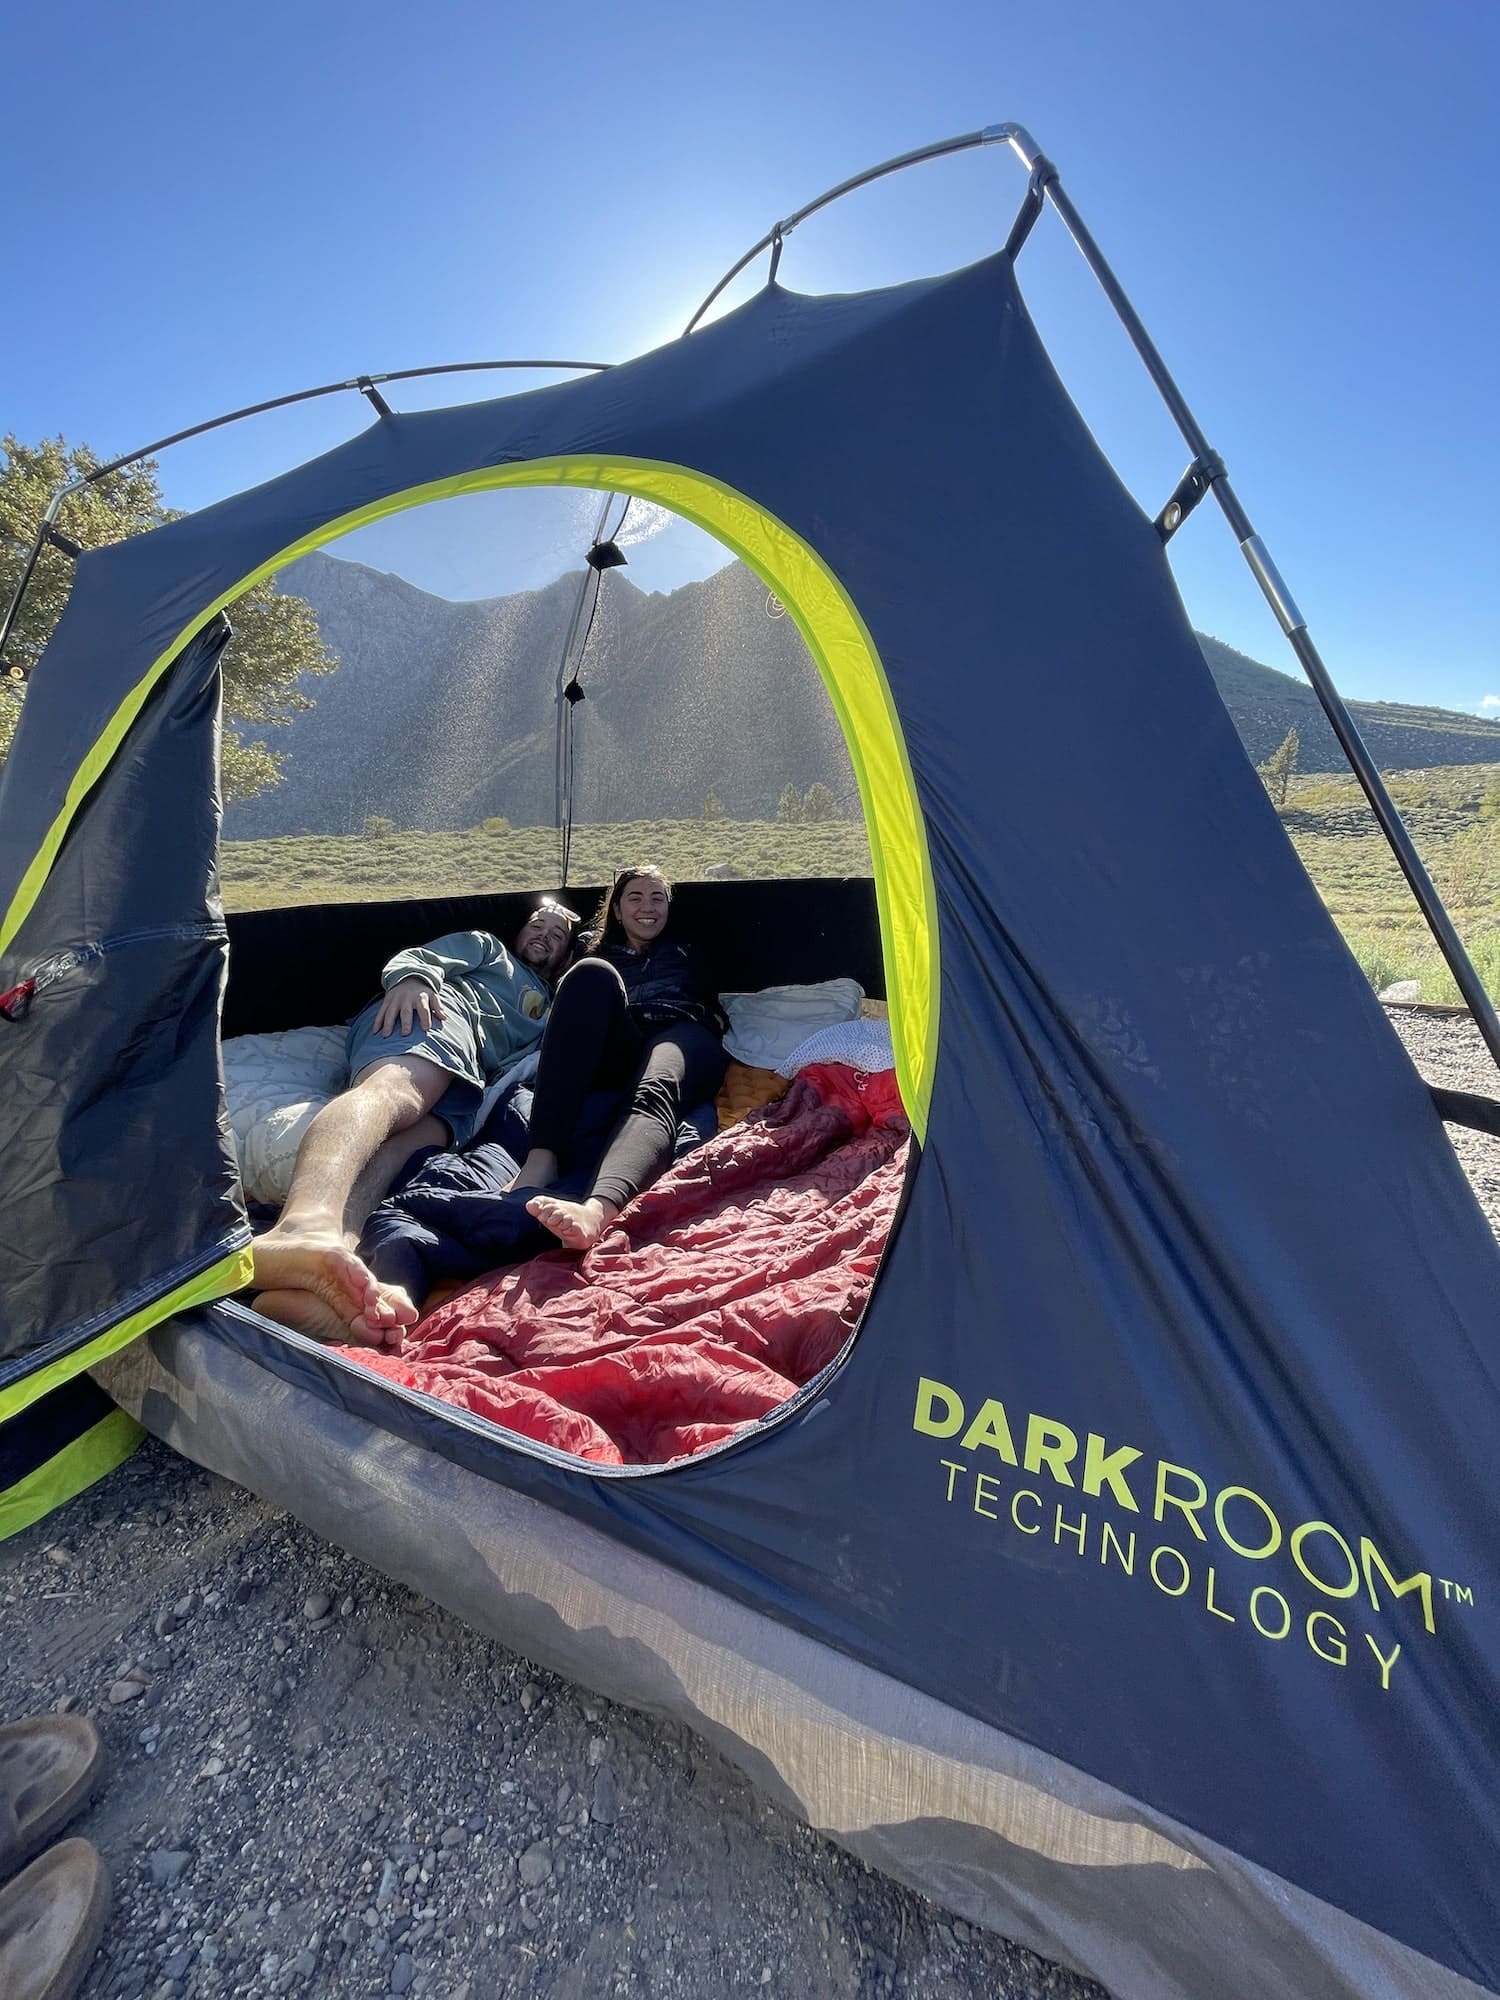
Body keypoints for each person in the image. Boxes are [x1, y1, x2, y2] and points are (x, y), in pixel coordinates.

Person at [252, 899, 578, 1343]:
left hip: (468, 1079)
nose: (543, 935)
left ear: (565, 955)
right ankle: (302, 1226)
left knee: (400, 1149)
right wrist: (413, 980)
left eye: (556, 935)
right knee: (394, 1094)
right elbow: (425, 958)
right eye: (538, 926)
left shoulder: (553, 1005)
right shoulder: (490, 949)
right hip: (436, 1017)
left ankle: (330, 1270)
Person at [511, 866, 729, 1250]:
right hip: (624, 1036)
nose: (648, 907)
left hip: (683, 1033)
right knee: (591, 973)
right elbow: (540, 976)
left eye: (657, 898)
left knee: (658, 1075)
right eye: (635, 897)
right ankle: (540, 1161)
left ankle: (597, 1210)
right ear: (616, 909)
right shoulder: (589, 949)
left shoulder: (690, 947)